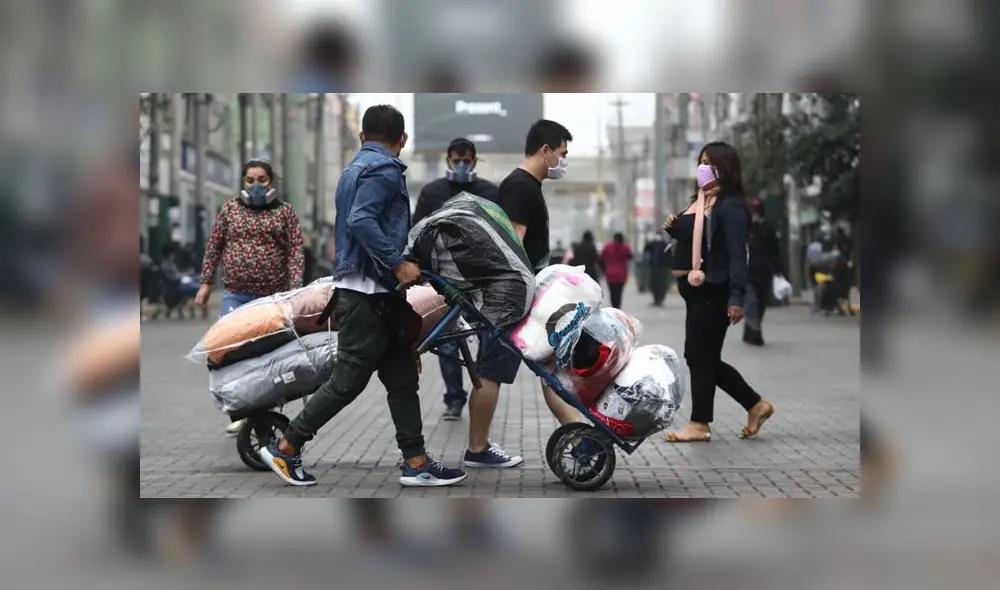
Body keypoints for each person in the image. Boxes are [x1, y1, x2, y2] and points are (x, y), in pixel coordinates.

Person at [259, 105, 466, 487]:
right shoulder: (384, 170)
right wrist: (397, 263)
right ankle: (286, 446)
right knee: (347, 381)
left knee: (403, 379)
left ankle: (416, 461)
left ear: (361, 136)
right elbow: (361, 220)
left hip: (377, 296)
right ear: (402, 139)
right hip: (366, 297)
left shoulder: (352, 169)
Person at [464, 119, 584, 468]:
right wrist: (522, 296)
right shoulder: (520, 187)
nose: (563, 160)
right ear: (544, 150)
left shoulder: (527, 186)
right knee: (491, 373)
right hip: (512, 299)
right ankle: (477, 449)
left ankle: (579, 434)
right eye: (561, 153)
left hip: (523, 296)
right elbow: (510, 245)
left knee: (549, 369)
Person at [662, 142, 775, 443]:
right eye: (701, 161)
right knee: (703, 357)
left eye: (710, 162)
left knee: (700, 356)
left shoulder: (732, 208)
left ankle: (700, 423)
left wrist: (736, 298)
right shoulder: (702, 201)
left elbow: (737, 255)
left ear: (726, 168)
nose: (702, 167)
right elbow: (699, 238)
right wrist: (675, 228)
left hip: (715, 290)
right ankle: (754, 405)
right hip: (697, 292)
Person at [195, 158, 305, 435]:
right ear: (243, 182)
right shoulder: (230, 209)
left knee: (265, 356)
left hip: (272, 298)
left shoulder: (285, 213)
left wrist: (295, 290)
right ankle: (237, 408)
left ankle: (260, 408)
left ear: (272, 181)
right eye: (250, 180)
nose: (256, 185)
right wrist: (206, 283)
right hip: (235, 295)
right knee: (227, 351)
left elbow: (295, 253)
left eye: (262, 180)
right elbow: (215, 245)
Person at [413, 138, 499, 421]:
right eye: (457, 159)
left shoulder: (489, 193)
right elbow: (417, 232)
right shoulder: (432, 192)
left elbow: (501, 233)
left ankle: (483, 392)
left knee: (487, 336)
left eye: (467, 159)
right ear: (448, 160)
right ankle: (454, 398)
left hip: (482, 279)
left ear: (475, 160)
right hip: (444, 280)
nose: (462, 164)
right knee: (448, 340)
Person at [743, 198, 782, 345]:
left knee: (761, 304)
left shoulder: (769, 228)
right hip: (748, 273)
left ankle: (750, 330)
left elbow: (775, 250)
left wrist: (778, 269)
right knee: (751, 303)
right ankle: (755, 333)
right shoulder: (744, 228)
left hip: (765, 273)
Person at [600, 232, 633, 309]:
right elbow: (630, 256)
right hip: (621, 274)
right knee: (619, 291)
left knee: (612, 291)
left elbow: (602, 257)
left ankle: (613, 306)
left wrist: (604, 268)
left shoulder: (608, 246)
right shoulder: (625, 247)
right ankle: (617, 307)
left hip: (610, 273)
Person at [643, 232, 673, 306]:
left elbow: (669, 255)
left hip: (662, 268)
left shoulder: (665, 244)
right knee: (654, 284)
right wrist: (650, 241)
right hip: (654, 267)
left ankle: (660, 299)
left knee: (662, 284)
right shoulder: (653, 244)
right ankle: (656, 300)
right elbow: (646, 249)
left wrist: (669, 265)